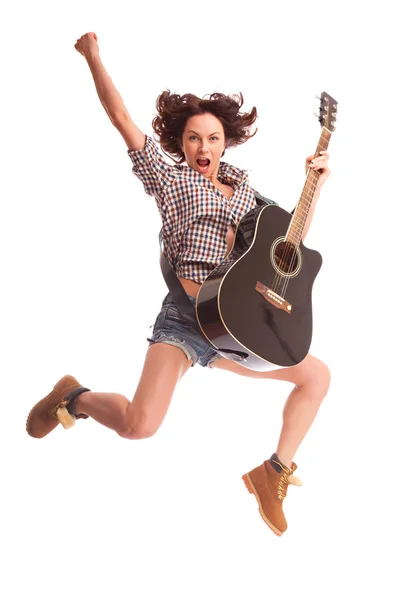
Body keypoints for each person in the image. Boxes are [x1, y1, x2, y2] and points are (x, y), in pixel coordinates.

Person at [26, 32, 331, 537]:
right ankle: (74, 396)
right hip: (189, 321)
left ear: (225, 142)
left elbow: (290, 241)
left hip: (236, 329)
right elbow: (122, 119)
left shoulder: (248, 193)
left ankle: (272, 472)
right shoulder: (171, 181)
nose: (203, 147)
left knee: (316, 376)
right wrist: (94, 58)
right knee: (138, 426)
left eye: (212, 138)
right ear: (181, 144)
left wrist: (315, 184)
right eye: (194, 138)